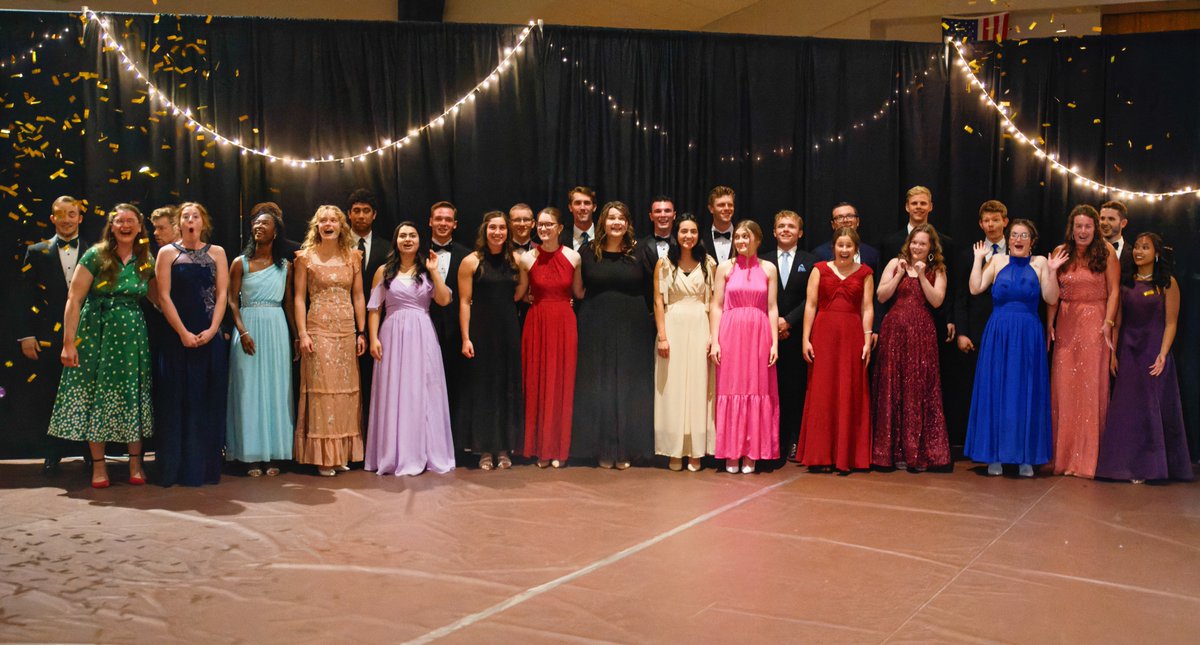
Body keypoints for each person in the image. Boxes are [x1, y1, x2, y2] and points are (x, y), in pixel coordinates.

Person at [48, 204, 157, 488]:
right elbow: (74, 299)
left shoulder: (146, 259)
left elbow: (160, 299)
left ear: (139, 226)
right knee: (97, 394)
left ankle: (135, 463)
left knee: (132, 394)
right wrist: (68, 343)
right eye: (119, 221)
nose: (125, 226)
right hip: (97, 333)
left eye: (130, 221)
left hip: (133, 336)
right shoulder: (96, 254)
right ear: (111, 226)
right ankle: (99, 466)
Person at [965, 220, 1066, 476]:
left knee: (1026, 391)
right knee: (996, 390)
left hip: (1028, 333)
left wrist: (1053, 271)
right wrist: (978, 259)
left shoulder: (1041, 262)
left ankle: (1025, 457)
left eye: (1024, 235)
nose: (1018, 239)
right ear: (1008, 240)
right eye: (1014, 235)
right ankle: (995, 456)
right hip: (999, 332)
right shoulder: (998, 261)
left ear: (1032, 240)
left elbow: (1051, 298)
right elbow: (975, 287)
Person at [1096, 233, 1193, 483]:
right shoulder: (1127, 282)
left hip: (1153, 351)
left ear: (1157, 253)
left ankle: (1152, 467)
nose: (1139, 251)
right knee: (1128, 410)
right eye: (1137, 247)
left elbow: (1171, 323)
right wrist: (1113, 355)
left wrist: (1163, 354)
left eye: (1145, 247)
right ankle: (1126, 466)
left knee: (1151, 408)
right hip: (1128, 351)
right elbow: (1117, 322)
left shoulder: (1167, 283)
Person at [365, 222, 455, 476]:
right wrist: (373, 339)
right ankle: (393, 453)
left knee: (422, 391)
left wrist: (435, 271)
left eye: (412, 235)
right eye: (402, 235)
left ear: (419, 241)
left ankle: (422, 451)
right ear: (396, 241)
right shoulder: (384, 271)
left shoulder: (427, 271)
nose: (407, 239)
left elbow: (444, 300)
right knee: (394, 391)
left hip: (421, 333)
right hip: (391, 334)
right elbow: (374, 309)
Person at [572, 201, 655, 468]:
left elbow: (654, 291)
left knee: (630, 388)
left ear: (628, 223)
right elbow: (578, 290)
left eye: (621, 218)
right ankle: (604, 449)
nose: (616, 223)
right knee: (600, 388)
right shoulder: (587, 251)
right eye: (611, 218)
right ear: (602, 223)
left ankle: (626, 449)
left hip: (634, 327)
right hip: (595, 326)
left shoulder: (641, 251)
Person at [154, 202, 229, 487]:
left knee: (206, 399)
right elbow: (164, 296)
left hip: (209, 334)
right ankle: (177, 468)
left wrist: (212, 330)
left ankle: (206, 468)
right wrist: (183, 332)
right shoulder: (167, 253)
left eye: (195, 215)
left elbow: (222, 294)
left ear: (202, 222)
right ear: (179, 223)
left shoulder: (218, 253)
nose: (190, 220)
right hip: (178, 336)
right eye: (185, 216)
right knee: (178, 400)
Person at [15, 196, 92, 472]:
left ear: (80, 218)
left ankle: (89, 451)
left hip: (88, 334)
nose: (67, 219)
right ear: (52, 218)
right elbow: (25, 295)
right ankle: (52, 451)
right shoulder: (36, 251)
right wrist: (25, 335)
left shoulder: (95, 250)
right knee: (49, 393)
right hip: (47, 335)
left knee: (86, 392)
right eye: (61, 214)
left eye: (72, 214)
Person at [1047, 204, 1120, 479]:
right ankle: (1062, 457)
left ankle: (1088, 460)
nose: (1082, 231)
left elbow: (1114, 293)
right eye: (1078, 226)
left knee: (1091, 389)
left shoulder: (1107, 253)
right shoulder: (1060, 252)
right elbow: (1053, 293)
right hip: (1066, 322)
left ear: (1095, 229)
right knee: (1063, 388)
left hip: (1095, 323)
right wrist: (1049, 325)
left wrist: (1108, 323)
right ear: (1072, 228)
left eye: (1088, 226)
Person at [871, 223, 951, 471]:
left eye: (922, 243)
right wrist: (899, 274)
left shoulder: (937, 269)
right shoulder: (895, 263)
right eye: (914, 242)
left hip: (922, 334)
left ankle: (919, 451)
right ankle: (891, 452)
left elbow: (937, 301)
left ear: (930, 247)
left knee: (919, 388)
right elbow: (881, 295)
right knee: (893, 386)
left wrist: (922, 274)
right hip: (894, 332)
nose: (917, 247)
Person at [293, 205, 366, 477]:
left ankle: (340, 454)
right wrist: (302, 333)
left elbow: (358, 296)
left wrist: (362, 332)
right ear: (317, 226)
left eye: (333, 219)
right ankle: (324, 456)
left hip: (346, 329)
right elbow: (299, 297)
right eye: (323, 220)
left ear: (340, 225)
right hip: (318, 328)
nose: (328, 223)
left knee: (345, 391)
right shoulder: (306, 258)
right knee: (323, 391)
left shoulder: (353, 257)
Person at [796, 227, 874, 474]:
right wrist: (806, 339)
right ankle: (821, 454)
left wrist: (867, 339)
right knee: (822, 391)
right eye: (840, 245)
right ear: (834, 247)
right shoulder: (819, 269)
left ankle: (847, 455)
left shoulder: (866, 273)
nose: (844, 250)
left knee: (850, 390)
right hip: (824, 333)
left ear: (856, 249)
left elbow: (867, 308)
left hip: (852, 335)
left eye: (849, 246)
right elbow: (810, 305)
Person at [226, 208, 294, 477]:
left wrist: (297, 336)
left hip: (277, 327)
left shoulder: (286, 266)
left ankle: (273, 453)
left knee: (277, 390)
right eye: (256, 223)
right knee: (249, 391)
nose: (258, 226)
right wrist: (242, 331)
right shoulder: (239, 263)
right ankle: (250, 455)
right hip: (249, 327)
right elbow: (232, 300)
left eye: (265, 223)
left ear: (275, 232)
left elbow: (288, 303)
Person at [709, 220, 780, 474]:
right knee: (731, 388)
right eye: (737, 237)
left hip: (759, 333)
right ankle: (732, 451)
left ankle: (751, 452)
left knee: (756, 388)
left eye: (746, 237)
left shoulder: (769, 268)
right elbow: (716, 305)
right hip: (731, 332)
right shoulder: (724, 268)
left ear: (758, 240)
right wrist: (715, 340)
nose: (741, 241)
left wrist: (774, 343)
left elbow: (772, 308)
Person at [456, 211, 523, 470]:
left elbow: (519, 293)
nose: (497, 232)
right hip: (481, 332)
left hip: (508, 330)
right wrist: (466, 338)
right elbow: (464, 302)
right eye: (493, 228)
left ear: (508, 232)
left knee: (506, 388)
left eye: (502, 228)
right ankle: (485, 449)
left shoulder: (516, 260)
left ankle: (505, 449)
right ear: (485, 231)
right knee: (484, 390)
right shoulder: (471, 262)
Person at [519, 207, 584, 467]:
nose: (544, 229)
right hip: (537, 322)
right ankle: (540, 450)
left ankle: (559, 449)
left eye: (549, 225)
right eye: (541, 225)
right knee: (537, 382)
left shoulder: (574, 257)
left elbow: (578, 293)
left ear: (559, 228)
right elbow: (520, 293)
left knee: (561, 383)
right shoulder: (526, 259)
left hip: (564, 322)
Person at [653, 215, 716, 471]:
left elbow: (713, 302)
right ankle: (674, 449)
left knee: (699, 387)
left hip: (700, 327)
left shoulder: (708, 264)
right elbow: (658, 302)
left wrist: (714, 336)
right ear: (676, 235)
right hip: (673, 327)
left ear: (698, 234)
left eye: (692, 231)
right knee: (673, 388)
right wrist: (663, 336)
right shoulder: (664, 264)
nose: (688, 236)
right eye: (683, 231)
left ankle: (695, 451)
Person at [761, 210, 818, 460]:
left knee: (795, 390)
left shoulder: (811, 260)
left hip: (796, 336)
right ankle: (772, 441)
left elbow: (812, 298)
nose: (785, 230)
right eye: (781, 226)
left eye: (791, 227)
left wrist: (788, 321)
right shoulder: (761, 261)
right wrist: (774, 323)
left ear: (800, 232)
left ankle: (793, 440)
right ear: (773, 232)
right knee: (769, 391)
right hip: (765, 335)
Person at [953, 200, 1009, 446]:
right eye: (986, 220)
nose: (991, 225)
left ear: (1005, 221)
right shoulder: (968, 255)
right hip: (977, 332)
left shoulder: (1019, 252)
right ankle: (977, 443)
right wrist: (962, 332)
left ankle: (1005, 441)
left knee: (1006, 388)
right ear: (980, 224)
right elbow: (961, 297)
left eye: (995, 220)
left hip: (1010, 331)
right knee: (977, 389)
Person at [426, 201, 470, 447]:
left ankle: (455, 440)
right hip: (423, 326)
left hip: (455, 328)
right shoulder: (415, 253)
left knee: (456, 383)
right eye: (438, 218)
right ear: (430, 222)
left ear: (455, 224)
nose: (443, 223)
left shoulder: (467, 254)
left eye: (448, 219)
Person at [347, 189, 390, 438]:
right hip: (342, 322)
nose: (361, 216)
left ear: (374, 215)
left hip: (378, 325)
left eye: (366, 211)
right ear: (349, 215)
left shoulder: (387, 247)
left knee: (374, 384)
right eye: (356, 211)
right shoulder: (338, 246)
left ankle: (373, 440)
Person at [813, 202, 881, 276]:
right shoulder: (819, 254)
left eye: (850, 216)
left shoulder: (872, 254)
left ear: (857, 221)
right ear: (833, 224)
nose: (845, 220)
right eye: (839, 217)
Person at [1098, 200, 1134, 277]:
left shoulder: (1133, 255)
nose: (1105, 223)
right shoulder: (1089, 250)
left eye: (1111, 219)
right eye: (1102, 218)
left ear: (1123, 223)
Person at [700, 186, 736, 261]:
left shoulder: (744, 237)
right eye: (721, 205)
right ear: (711, 209)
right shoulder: (701, 237)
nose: (727, 208)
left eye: (730, 205)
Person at [558, 186, 598, 251]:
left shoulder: (605, 236)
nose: (582, 207)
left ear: (594, 207)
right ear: (570, 207)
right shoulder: (559, 238)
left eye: (587, 203)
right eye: (578, 203)